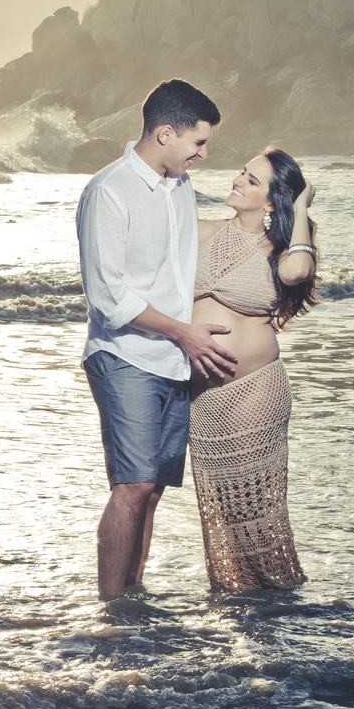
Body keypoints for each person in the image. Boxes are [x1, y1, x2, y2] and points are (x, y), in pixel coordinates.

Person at [77, 79, 236, 599]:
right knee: (133, 486)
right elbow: (109, 296)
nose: (203, 154)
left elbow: (188, 239)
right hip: (124, 355)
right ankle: (110, 608)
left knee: (153, 493)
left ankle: (133, 595)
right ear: (165, 133)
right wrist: (184, 332)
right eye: (198, 143)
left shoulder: (178, 187)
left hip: (172, 358)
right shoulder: (109, 190)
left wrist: (264, 219)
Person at [188, 147, 317, 591]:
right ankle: (240, 593)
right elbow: (153, 225)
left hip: (255, 393)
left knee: (254, 509)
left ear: (271, 203)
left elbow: (300, 269)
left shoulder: (278, 250)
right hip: (205, 399)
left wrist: (299, 208)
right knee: (222, 507)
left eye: (253, 180)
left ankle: (273, 596)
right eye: (243, 172)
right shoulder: (208, 233)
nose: (238, 179)